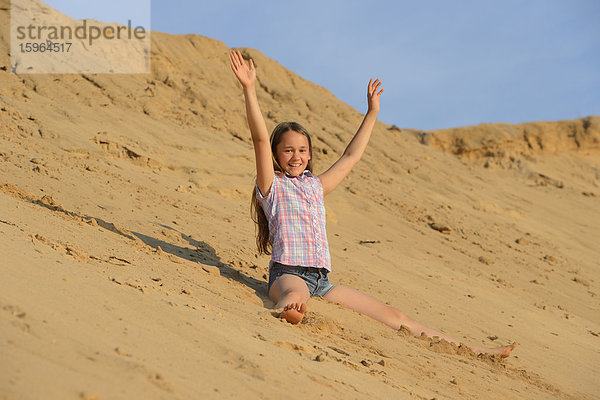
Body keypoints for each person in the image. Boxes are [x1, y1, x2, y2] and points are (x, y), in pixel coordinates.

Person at [229, 50, 516, 358]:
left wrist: (372, 113)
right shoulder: (272, 186)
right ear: (276, 155)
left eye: (302, 150)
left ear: (310, 154)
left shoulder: (315, 186)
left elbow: (351, 157)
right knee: (295, 296)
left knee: (396, 317)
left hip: (322, 281)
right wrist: (249, 89)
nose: (296, 156)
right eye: (288, 151)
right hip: (287, 274)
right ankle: (289, 311)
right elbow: (259, 138)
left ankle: (477, 350)